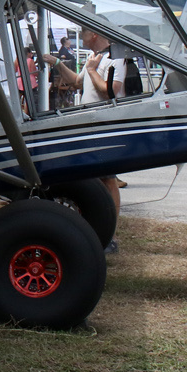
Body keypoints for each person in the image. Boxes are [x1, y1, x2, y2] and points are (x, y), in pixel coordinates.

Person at [77, 26, 123, 254]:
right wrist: (56, 65)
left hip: (104, 127)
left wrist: (93, 71)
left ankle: (111, 235)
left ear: (93, 34)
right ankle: (93, 230)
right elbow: (77, 82)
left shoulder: (116, 59)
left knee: (108, 181)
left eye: (82, 32)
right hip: (89, 126)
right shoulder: (92, 58)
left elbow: (110, 91)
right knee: (93, 180)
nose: (80, 37)